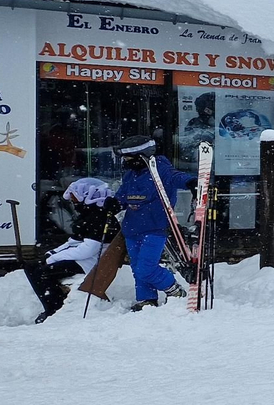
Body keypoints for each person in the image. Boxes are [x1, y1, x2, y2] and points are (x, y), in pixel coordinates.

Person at [22, 178, 121, 322]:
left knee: (42, 273)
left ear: (87, 196)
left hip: (91, 263)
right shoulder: (90, 214)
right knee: (31, 266)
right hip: (82, 259)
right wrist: (52, 254)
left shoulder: (100, 217)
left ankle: (54, 309)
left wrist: (55, 258)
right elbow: (73, 242)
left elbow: (88, 250)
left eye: (75, 199)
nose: (73, 203)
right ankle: (56, 304)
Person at [116, 135, 192, 310]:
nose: (126, 162)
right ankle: (146, 299)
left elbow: (177, 178)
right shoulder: (131, 175)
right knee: (137, 268)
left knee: (146, 268)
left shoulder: (161, 170)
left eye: (128, 158)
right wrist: (114, 203)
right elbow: (123, 195)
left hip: (155, 227)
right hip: (132, 228)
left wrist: (192, 183)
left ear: (141, 156)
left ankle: (174, 290)